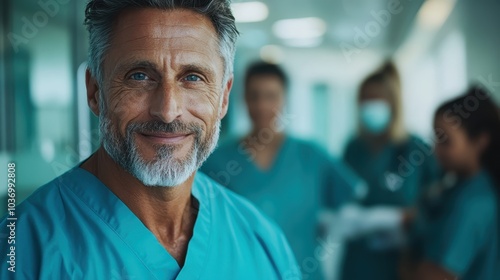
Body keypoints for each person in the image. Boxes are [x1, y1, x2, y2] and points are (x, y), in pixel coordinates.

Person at [0, 1, 300, 279]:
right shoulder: (23, 251)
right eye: (140, 76)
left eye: (193, 77)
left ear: (223, 97)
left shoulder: (262, 242)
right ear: (95, 92)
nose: (168, 111)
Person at [201, 61, 364, 280]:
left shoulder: (311, 156)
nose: (261, 106)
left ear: (284, 99)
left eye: (271, 96)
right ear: (242, 98)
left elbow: (354, 201)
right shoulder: (217, 160)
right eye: (254, 96)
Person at [339, 62, 439, 280]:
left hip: (402, 263)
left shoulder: (416, 149)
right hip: (358, 263)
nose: (369, 105)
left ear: (393, 104)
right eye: (364, 99)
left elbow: (437, 204)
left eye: (376, 99)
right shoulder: (353, 149)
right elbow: (339, 198)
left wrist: (405, 221)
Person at [408, 86, 500, 280]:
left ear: (480, 141)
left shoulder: (474, 202)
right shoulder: (457, 189)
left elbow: (435, 276)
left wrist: (407, 255)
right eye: (436, 138)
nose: (435, 150)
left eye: (446, 141)